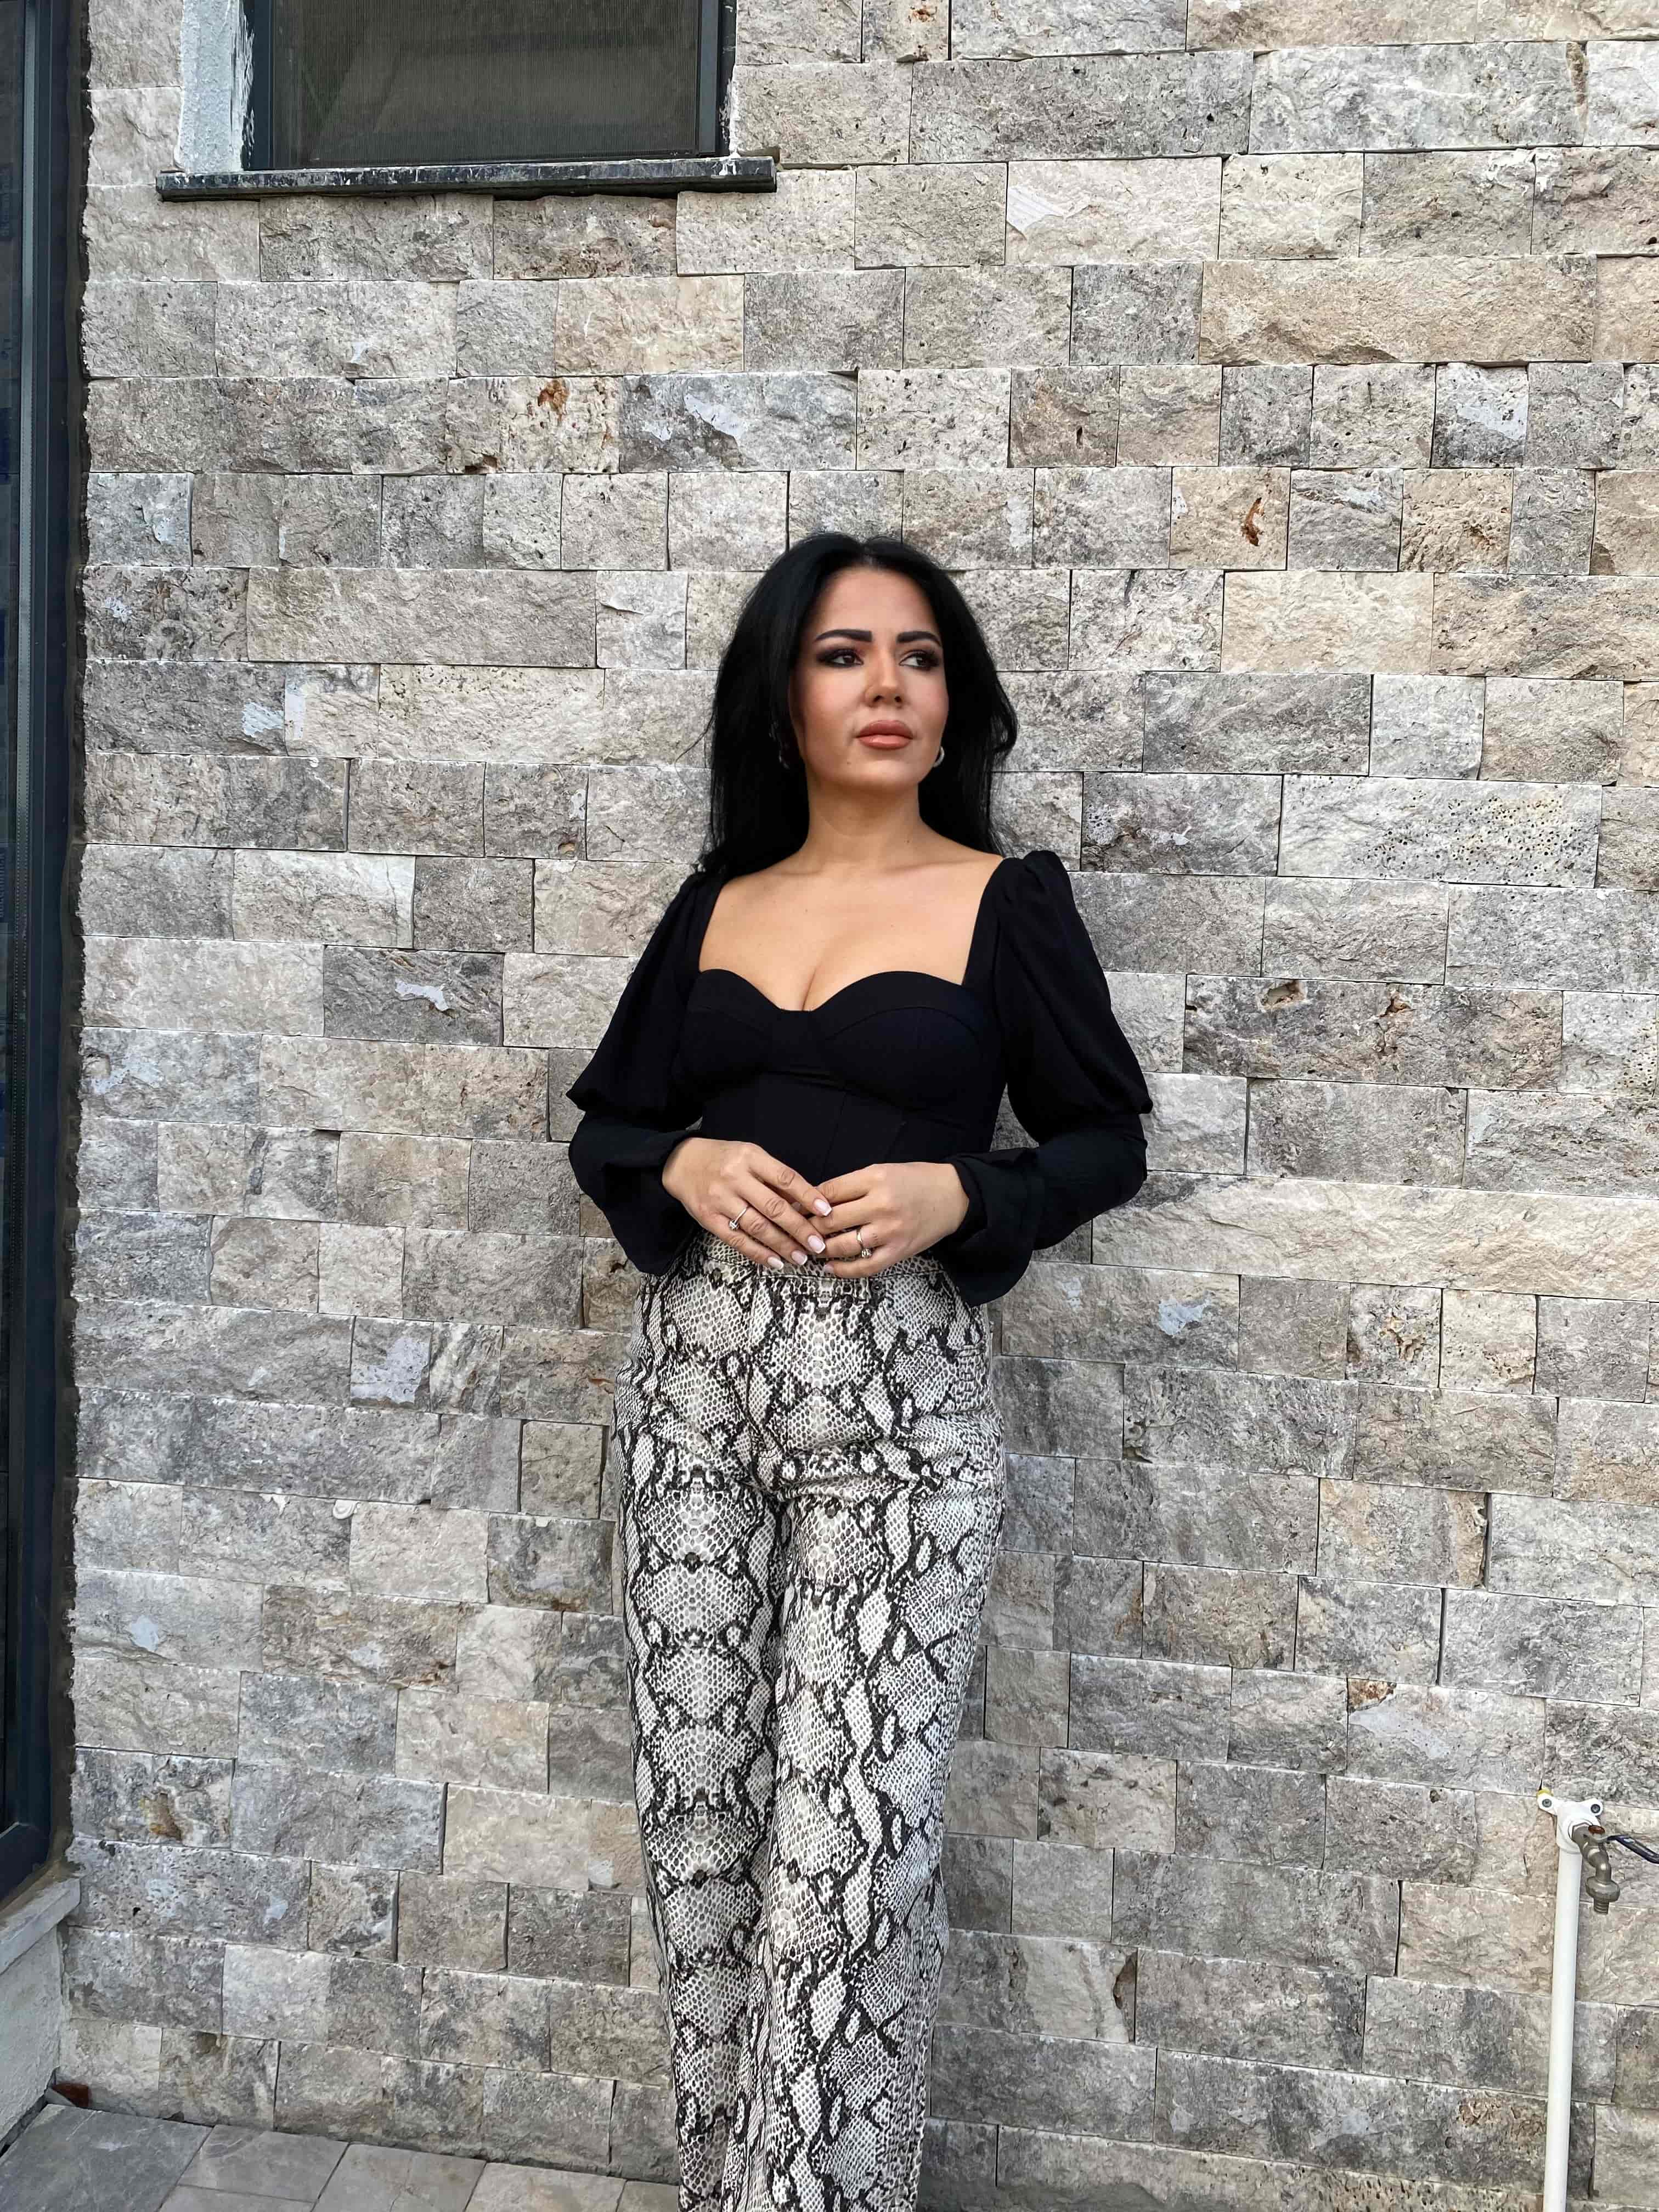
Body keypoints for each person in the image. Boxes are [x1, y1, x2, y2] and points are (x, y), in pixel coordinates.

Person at [564, 532, 1153, 2212]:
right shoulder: (717, 905)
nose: (886, 685)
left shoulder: (1004, 902)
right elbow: (610, 1124)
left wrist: (972, 1192)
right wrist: (679, 1162)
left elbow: (1107, 1138)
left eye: (918, 654)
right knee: (701, 1844)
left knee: (844, 1867)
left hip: (896, 1421)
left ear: (955, 697)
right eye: (842, 655)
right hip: (692, 1401)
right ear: (782, 700)